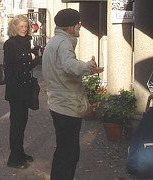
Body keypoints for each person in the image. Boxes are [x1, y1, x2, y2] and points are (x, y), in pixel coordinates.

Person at [42, 8, 104, 180]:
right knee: (68, 152)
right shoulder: (64, 43)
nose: (80, 26)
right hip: (66, 105)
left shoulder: (55, 41)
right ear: (70, 26)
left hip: (59, 103)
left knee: (66, 150)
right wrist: (88, 67)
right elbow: (69, 65)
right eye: (78, 23)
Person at [3, 14, 41, 169]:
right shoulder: (10, 44)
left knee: (23, 122)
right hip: (16, 89)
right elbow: (10, 69)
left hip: (26, 87)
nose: (24, 30)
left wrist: (34, 60)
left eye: (26, 27)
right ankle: (14, 158)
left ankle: (20, 152)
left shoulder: (26, 42)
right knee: (17, 124)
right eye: (21, 27)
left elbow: (27, 65)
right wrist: (33, 61)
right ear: (14, 27)